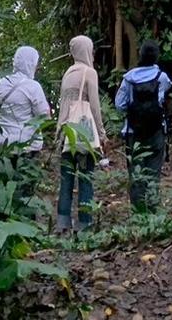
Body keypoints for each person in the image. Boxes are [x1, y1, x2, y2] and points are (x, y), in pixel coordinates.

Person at [55, 35, 108, 232]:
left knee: (66, 179)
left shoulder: (68, 73)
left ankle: (62, 222)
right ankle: (84, 224)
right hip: (84, 134)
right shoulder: (89, 72)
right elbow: (94, 106)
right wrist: (102, 134)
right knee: (85, 178)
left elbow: (63, 106)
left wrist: (58, 131)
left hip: (67, 133)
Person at [114, 39, 172, 213]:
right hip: (156, 131)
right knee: (154, 172)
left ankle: (138, 213)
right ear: (156, 56)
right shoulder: (161, 77)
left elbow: (119, 104)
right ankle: (153, 212)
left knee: (136, 173)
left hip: (134, 131)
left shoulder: (129, 78)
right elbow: (165, 93)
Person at [0, 45, 51, 202]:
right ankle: (24, 220)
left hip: (1, 143)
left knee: (3, 188)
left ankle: (1, 219)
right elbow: (44, 116)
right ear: (31, 63)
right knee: (25, 190)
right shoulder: (33, 87)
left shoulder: (2, 82)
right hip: (26, 145)